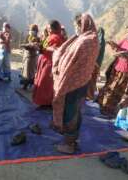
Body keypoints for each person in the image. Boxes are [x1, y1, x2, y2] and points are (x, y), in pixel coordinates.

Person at [52, 14, 99, 154]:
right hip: (82, 81)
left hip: (72, 83)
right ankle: (73, 140)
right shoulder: (93, 39)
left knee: (70, 112)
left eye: (77, 26)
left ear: (82, 25)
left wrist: (58, 68)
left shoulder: (84, 41)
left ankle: (69, 144)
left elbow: (69, 61)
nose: (76, 29)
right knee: (76, 111)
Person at [97, 24, 128, 117]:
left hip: (126, 72)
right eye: (127, 32)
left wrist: (127, 55)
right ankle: (103, 108)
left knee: (118, 91)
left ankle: (110, 111)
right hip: (116, 69)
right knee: (109, 87)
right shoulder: (125, 40)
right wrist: (114, 46)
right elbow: (118, 49)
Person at [33, 20, 64, 108]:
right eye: (48, 28)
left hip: (49, 64)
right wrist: (40, 46)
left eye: (50, 28)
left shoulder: (57, 38)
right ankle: (44, 102)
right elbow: (44, 46)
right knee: (42, 81)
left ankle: (47, 102)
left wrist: (42, 48)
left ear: (54, 28)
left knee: (45, 83)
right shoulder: (51, 36)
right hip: (44, 62)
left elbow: (55, 50)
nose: (49, 30)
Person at [87, 27, 106, 100]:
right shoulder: (100, 41)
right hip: (96, 63)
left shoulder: (100, 42)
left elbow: (98, 51)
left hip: (95, 63)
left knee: (92, 79)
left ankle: (90, 96)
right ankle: (91, 96)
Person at [20, 24, 40, 90]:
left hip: (32, 57)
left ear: (35, 31)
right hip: (26, 56)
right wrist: (24, 46)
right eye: (30, 30)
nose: (31, 31)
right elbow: (25, 43)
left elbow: (33, 46)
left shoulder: (37, 38)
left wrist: (25, 45)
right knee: (25, 71)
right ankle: (25, 85)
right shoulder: (28, 36)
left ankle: (29, 85)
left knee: (30, 72)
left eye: (32, 30)